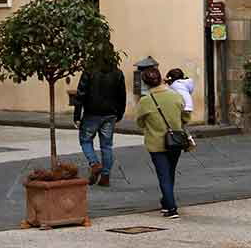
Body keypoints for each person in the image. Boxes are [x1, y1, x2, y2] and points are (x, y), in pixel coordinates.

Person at [135, 66, 190, 219]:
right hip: (175, 142)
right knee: (170, 172)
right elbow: (185, 117)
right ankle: (166, 202)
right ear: (160, 78)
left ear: (145, 83)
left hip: (156, 143)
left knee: (163, 175)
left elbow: (139, 122)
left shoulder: (145, 101)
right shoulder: (175, 96)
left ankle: (171, 208)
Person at [73, 44, 126, 187]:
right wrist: (120, 114)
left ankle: (94, 163)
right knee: (107, 146)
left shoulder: (89, 71)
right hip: (110, 114)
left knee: (85, 140)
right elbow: (122, 96)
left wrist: (77, 116)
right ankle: (106, 176)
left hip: (92, 112)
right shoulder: (118, 72)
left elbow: (80, 94)